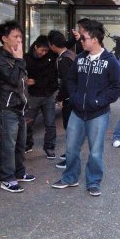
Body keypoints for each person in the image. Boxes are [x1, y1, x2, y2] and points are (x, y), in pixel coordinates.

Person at [52, 20, 120, 196]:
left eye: (84, 37)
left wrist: (97, 102)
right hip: (77, 111)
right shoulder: (80, 58)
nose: (81, 41)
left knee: (96, 151)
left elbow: (115, 88)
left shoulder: (110, 61)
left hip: (98, 114)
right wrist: (75, 98)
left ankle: (93, 182)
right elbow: (71, 80)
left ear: (95, 39)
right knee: (71, 148)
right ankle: (70, 178)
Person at [0, 20, 34, 193]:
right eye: (15, 37)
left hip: (19, 107)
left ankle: (19, 172)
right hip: (6, 108)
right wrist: (19, 60)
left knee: (20, 143)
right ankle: (7, 178)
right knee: (8, 145)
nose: (19, 41)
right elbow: (13, 79)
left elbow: (22, 81)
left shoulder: (16, 58)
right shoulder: (0, 58)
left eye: (21, 37)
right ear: (4, 38)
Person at [24, 35, 58, 159]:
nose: (44, 53)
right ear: (36, 47)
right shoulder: (26, 58)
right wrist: (26, 80)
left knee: (50, 123)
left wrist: (75, 38)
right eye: (42, 50)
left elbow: (62, 46)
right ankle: (27, 144)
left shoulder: (50, 56)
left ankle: (49, 147)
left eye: (46, 51)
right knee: (27, 122)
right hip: (33, 96)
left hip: (48, 95)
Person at [47, 30, 76, 169]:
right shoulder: (70, 53)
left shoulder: (64, 60)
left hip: (70, 98)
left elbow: (66, 82)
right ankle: (69, 153)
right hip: (73, 96)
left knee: (70, 128)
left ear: (52, 45)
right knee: (71, 128)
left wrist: (60, 98)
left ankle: (70, 158)